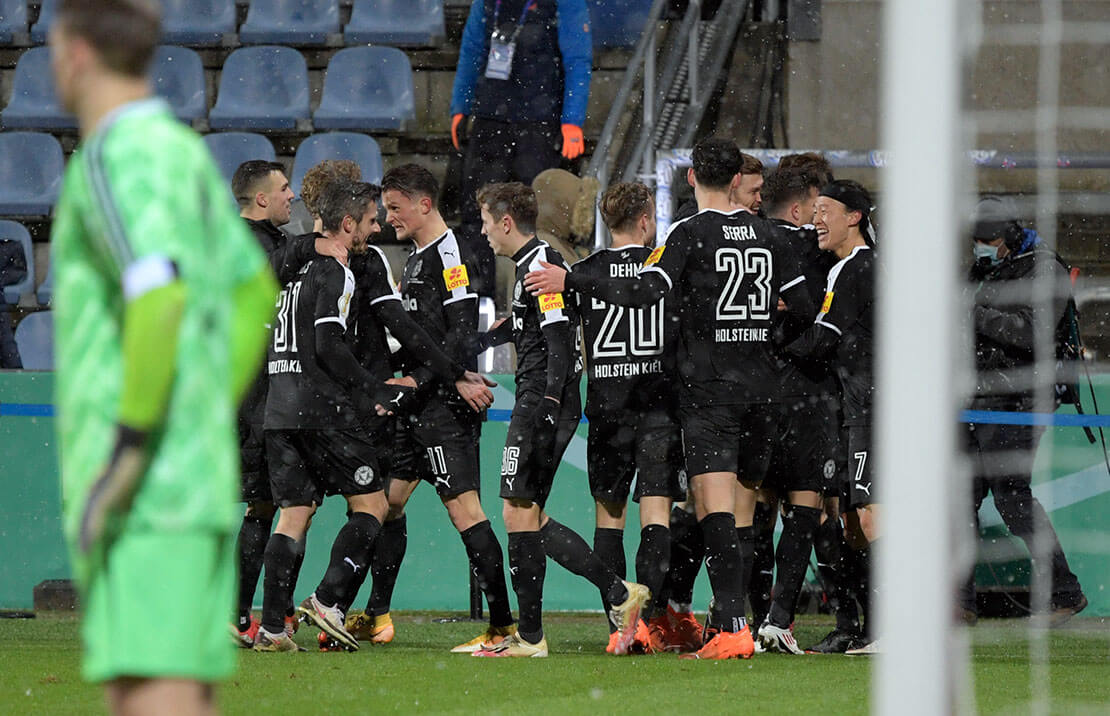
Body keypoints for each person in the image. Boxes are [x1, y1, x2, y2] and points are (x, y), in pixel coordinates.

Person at [49, 0, 279, 712]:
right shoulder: (179, 154)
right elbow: (252, 295)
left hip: (147, 489)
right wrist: (199, 414)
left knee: (152, 693)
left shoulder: (115, 155)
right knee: (169, 691)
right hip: (192, 477)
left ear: (76, 53)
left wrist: (131, 447)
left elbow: (158, 293)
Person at [526, 138, 816, 659]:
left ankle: (729, 627)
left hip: (710, 391)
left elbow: (644, 291)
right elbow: (803, 307)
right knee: (746, 508)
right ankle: (737, 621)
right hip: (764, 391)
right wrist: (763, 334)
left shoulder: (689, 231)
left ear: (690, 178)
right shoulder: (773, 234)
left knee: (713, 506)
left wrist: (572, 278)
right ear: (736, 182)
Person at [256, 181, 494, 652]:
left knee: (293, 515)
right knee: (374, 506)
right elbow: (330, 345)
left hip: (279, 408)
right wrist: (377, 387)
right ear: (349, 225)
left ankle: (271, 628)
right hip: (322, 411)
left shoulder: (289, 271)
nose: (378, 226)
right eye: (370, 219)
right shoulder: (337, 271)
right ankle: (328, 602)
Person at [470, 182, 649, 658]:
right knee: (524, 514)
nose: (484, 232)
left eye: (487, 222)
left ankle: (595, 604)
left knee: (517, 512)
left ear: (506, 223)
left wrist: (547, 401)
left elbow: (558, 339)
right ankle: (542, 629)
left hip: (540, 400)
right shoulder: (536, 262)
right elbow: (537, 324)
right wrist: (490, 339)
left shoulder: (539, 266)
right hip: (545, 398)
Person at [343, 164, 516, 653]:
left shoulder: (451, 253)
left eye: (394, 208)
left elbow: (458, 333)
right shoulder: (418, 257)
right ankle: (376, 615)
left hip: (443, 409)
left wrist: (429, 377)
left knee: (465, 511)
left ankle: (503, 628)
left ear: (423, 204)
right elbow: (424, 336)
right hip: (419, 406)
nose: (388, 218)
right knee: (388, 505)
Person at [229, 159, 345, 647]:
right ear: (260, 200)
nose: (289, 196)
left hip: (259, 394)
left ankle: (251, 618)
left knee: (275, 506)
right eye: (281, 190)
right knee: (283, 506)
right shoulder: (251, 249)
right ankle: (255, 619)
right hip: (261, 396)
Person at [960, 195, 1087, 625]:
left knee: (1012, 498)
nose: (981, 247)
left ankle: (1065, 593)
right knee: (960, 499)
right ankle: (960, 603)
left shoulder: (1043, 268)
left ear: (1009, 235)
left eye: (988, 240)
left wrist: (977, 313)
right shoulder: (982, 269)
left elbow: (1035, 335)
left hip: (1021, 400)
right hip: (977, 397)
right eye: (977, 240)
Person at [571, 182, 686, 654]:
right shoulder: (662, 269)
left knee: (610, 519)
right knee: (656, 513)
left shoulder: (583, 272)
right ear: (645, 220)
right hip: (658, 405)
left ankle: (620, 625)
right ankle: (649, 623)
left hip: (607, 409)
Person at [784, 179, 878, 655]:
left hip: (871, 405)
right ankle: (868, 624)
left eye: (825, 210)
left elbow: (823, 341)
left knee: (871, 510)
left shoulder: (855, 268)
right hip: (860, 404)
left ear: (854, 217)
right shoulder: (859, 266)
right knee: (854, 519)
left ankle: (892, 626)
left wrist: (766, 343)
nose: (815, 219)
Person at [750, 164, 841, 654]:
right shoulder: (811, 248)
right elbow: (818, 311)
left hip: (754, 391)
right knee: (809, 507)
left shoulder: (745, 240)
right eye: (816, 206)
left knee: (757, 507)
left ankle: (746, 617)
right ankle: (780, 618)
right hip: (806, 392)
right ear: (800, 206)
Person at [450, 0, 593, 297]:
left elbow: (577, 58)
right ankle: (477, 302)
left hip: (539, 123)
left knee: (539, 217)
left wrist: (573, 121)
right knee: (477, 214)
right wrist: (460, 106)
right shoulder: (487, 3)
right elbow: (472, 49)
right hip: (490, 120)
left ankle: (540, 299)